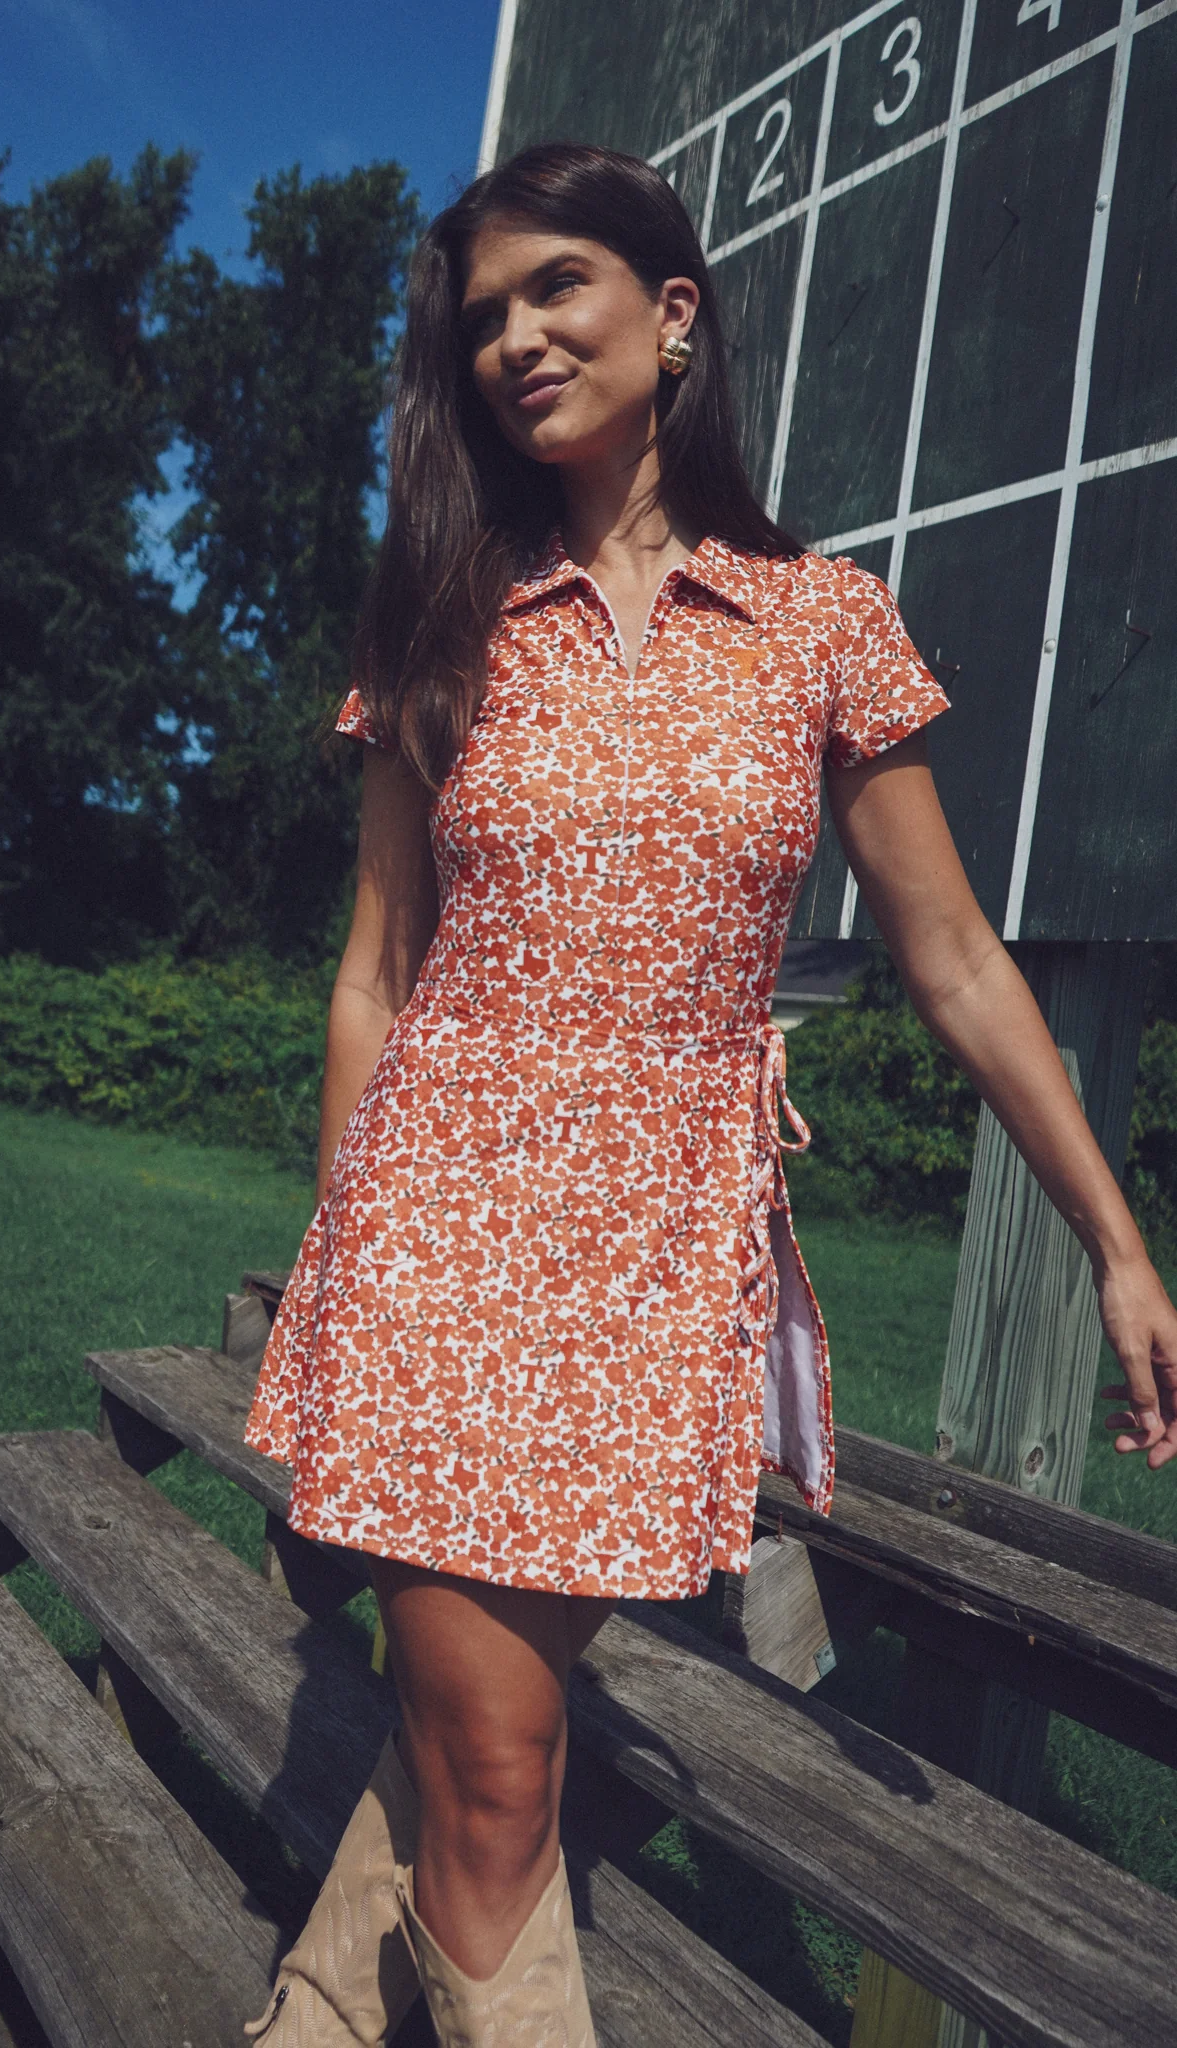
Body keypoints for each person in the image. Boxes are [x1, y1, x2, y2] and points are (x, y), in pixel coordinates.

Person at [241, 143, 1177, 2046]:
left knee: (472, 1735)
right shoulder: (440, 615)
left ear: (673, 317)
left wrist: (1116, 1242)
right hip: (439, 1228)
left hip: (666, 1255)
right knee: (503, 1781)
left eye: (557, 288)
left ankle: (315, 2018)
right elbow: (371, 975)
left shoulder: (823, 624)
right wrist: (345, 1265)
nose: (514, 340)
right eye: (482, 315)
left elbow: (962, 964)